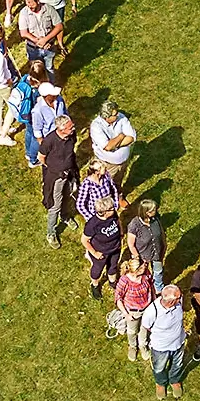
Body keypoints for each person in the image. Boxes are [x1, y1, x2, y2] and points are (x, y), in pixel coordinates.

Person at [37, 115, 79, 248]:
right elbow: (41, 157)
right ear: (60, 129)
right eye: (70, 127)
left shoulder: (71, 135)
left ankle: (65, 216)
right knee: (55, 205)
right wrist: (54, 169)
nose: (73, 128)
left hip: (70, 173)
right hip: (56, 178)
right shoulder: (49, 141)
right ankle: (51, 232)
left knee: (68, 197)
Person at [141, 284, 188, 400]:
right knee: (159, 368)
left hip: (178, 343)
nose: (181, 298)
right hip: (160, 348)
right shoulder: (152, 311)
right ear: (171, 301)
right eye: (178, 297)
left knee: (177, 365)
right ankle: (161, 383)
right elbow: (146, 326)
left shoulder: (179, 302)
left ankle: (174, 381)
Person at [82, 196, 125, 299]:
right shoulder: (92, 225)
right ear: (103, 212)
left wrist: (121, 233)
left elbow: (118, 221)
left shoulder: (113, 215)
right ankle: (95, 285)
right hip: (101, 253)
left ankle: (112, 282)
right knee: (97, 270)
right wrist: (95, 253)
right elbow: (84, 240)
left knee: (113, 266)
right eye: (111, 209)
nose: (114, 209)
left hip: (115, 248)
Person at [114, 260, 154, 362]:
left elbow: (151, 285)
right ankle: (132, 346)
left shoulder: (145, 274)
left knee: (145, 328)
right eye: (141, 268)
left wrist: (153, 301)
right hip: (133, 312)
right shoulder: (125, 281)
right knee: (132, 331)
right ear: (134, 271)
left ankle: (142, 345)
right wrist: (126, 314)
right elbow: (118, 298)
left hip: (147, 308)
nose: (144, 268)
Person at [91, 101, 137, 188]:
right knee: (103, 185)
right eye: (115, 114)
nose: (117, 115)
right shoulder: (96, 126)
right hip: (107, 165)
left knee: (118, 182)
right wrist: (121, 136)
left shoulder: (121, 117)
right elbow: (107, 147)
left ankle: (118, 197)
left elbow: (132, 137)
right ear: (106, 117)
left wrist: (115, 145)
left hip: (123, 161)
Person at [126, 199, 168, 289]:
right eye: (153, 210)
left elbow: (161, 233)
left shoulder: (156, 218)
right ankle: (144, 289)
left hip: (156, 252)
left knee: (158, 271)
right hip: (142, 255)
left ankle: (158, 289)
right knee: (141, 274)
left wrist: (164, 245)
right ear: (146, 212)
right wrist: (137, 256)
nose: (156, 211)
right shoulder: (134, 225)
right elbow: (130, 244)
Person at [17, 0, 64, 73]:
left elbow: (59, 26)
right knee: (35, 71)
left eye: (32, 4)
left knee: (49, 69)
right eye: (27, 4)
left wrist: (46, 40)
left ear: (38, 1)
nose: (29, 7)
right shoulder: (24, 13)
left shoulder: (49, 9)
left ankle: (50, 84)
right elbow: (24, 33)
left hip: (49, 47)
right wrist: (38, 41)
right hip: (33, 48)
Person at [27, 80, 67, 170]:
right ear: (46, 96)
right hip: (50, 138)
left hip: (63, 134)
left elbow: (65, 113)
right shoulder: (38, 110)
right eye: (53, 94)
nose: (56, 95)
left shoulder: (60, 100)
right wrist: (44, 146)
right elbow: (37, 130)